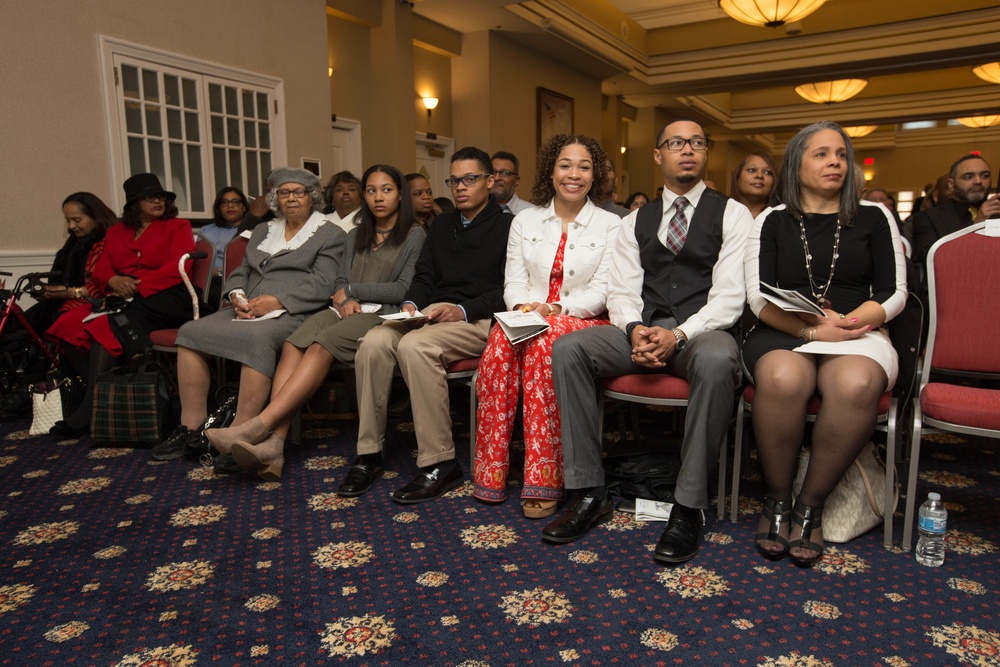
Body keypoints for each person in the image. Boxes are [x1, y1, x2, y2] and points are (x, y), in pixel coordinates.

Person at [542, 120, 753, 564]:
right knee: (570, 348)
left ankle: (688, 506)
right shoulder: (635, 220)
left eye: (697, 142)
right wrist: (635, 329)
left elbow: (731, 296)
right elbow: (622, 290)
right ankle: (588, 490)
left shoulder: (732, 213)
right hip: (646, 330)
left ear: (705, 153)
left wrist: (678, 334)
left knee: (718, 360)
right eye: (676, 143)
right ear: (659, 156)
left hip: (701, 334)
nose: (688, 150)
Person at [743, 121, 907, 567]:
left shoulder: (876, 216)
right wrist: (813, 330)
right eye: (821, 154)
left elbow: (894, 293)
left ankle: (809, 507)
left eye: (840, 154)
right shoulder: (771, 221)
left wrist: (849, 324)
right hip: (786, 331)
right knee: (781, 377)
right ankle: (777, 499)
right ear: (796, 166)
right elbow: (758, 297)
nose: (835, 161)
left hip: (859, 331)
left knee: (855, 383)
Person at [203, 165, 424, 478]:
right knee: (294, 342)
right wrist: (345, 297)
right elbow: (340, 277)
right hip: (344, 308)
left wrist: (351, 292)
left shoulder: (414, 234)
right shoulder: (355, 233)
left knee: (321, 346)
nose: (378, 197)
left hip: (382, 312)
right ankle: (274, 446)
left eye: (386, 190)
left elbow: (402, 288)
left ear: (400, 195)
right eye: (371, 190)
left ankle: (257, 428)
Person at [335, 146, 512, 503]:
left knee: (414, 346)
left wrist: (461, 309)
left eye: (470, 179)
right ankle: (369, 452)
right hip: (431, 312)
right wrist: (412, 304)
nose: (460, 187)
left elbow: (509, 291)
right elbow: (425, 274)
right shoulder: (442, 224)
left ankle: (440, 462)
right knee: (373, 340)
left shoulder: (510, 226)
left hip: (478, 319)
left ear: (490, 182)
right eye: (454, 180)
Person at [151, 168, 346, 474]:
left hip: (295, 311)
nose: (291, 198)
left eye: (299, 192)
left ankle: (240, 432)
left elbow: (323, 283)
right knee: (189, 332)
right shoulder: (262, 230)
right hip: (248, 307)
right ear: (275, 198)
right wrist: (236, 296)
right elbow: (241, 270)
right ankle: (192, 429)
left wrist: (276, 301)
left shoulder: (330, 233)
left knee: (257, 338)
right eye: (284, 192)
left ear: (313, 197)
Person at [474, 135, 620, 518]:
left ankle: (545, 476)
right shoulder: (525, 220)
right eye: (565, 165)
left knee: (543, 345)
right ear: (550, 172)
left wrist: (555, 307)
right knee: (498, 343)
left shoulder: (610, 224)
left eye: (584, 166)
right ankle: (491, 470)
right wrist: (523, 307)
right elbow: (513, 280)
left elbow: (603, 291)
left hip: (581, 319)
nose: (574, 174)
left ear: (594, 174)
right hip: (527, 314)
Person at [47, 174, 196, 437]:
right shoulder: (117, 231)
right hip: (120, 295)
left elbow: (179, 267)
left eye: (160, 196)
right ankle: (105, 392)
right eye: (148, 197)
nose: (157, 200)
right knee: (67, 323)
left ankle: (89, 409)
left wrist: (136, 285)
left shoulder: (178, 226)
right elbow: (102, 269)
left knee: (103, 324)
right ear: (133, 204)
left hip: (163, 297)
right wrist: (114, 280)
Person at [0, 193, 117, 421]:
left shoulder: (106, 241)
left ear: (94, 216)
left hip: (89, 300)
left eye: (77, 220)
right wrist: (48, 291)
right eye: (68, 220)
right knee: (19, 324)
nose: (72, 226)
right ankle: (26, 385)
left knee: (54, 322)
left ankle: (30, 388)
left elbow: (94, 285)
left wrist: (65, 291)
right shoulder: (74, 243)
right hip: (62, 298)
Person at [910, 154, 998, 267]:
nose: (978, 181)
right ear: (951, 185)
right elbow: (932, 259)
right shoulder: (927, 218)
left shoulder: (997, 212)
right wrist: (976, 224)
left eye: (985, 176)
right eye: (968, 177)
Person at [199, 187, 249, 272]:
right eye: (224, 202)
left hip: (236, 279)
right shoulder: (206, 230)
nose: (230, 205)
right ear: (219, 208)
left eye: (236, 202)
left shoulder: (250, 231)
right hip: (204, 280)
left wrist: (220, 272)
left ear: (244, 207)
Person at [730, 152, 777, 219]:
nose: (759, 175)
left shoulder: (781, 218)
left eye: (767, 172)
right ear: (738, 177)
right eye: (752, 170)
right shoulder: (722, 212)